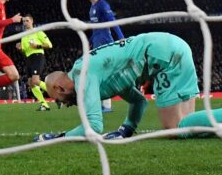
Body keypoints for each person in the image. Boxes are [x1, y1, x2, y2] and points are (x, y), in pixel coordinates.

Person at [36, 32, 217, 141]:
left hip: (162, 55)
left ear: (60, 88)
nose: (65, 104)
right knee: (191, 126)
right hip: (173, 45)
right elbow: (139, 101)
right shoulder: (107, 77)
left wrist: (59, 138)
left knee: (175, 129)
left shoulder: (83, 75)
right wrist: (127, 129)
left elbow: (94, 126)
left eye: (59, 100)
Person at [85, 0, 124, 112]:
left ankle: (107, 105)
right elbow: (95, 28)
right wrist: (90, 41)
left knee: (104, 73)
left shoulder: (103, 5)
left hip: (105, 41)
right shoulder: (92, 8)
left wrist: (121, 37)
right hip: (97, 42)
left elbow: (113, 22)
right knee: (99, 74)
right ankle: (104, 104)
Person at [16, 14, 53, 111]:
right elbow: (25, 50)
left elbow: (49, 45)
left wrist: (37, 46)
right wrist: (20, 49)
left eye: (27, 21)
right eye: (23, 21)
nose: (25, 23)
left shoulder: (38, 32)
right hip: (29, 59)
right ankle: (44, 104)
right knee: (30, 83)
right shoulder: (23, 36)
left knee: (36, 80)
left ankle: (57, 95)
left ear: (32, 21)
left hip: (37, 56)